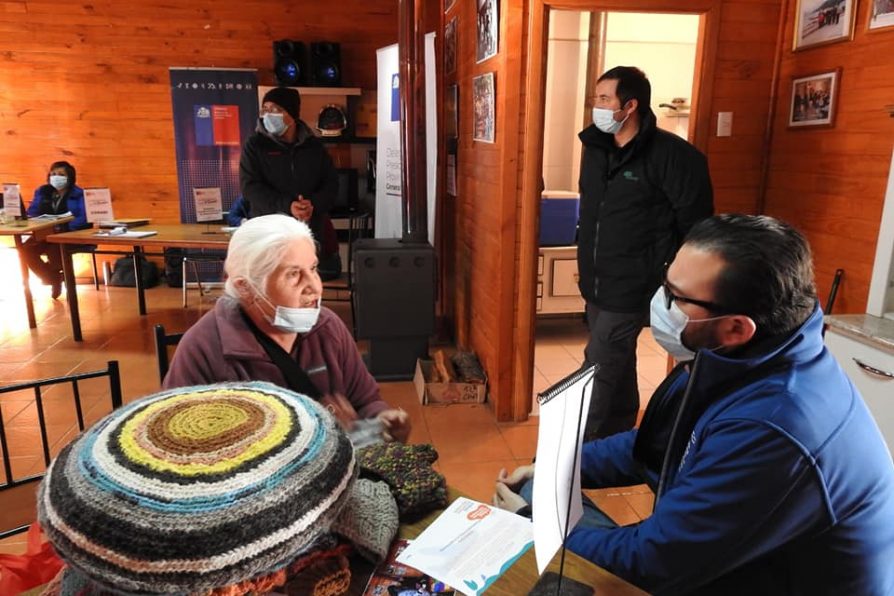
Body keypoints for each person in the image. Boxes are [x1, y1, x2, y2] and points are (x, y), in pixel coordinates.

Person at [494, 214, 894, 594]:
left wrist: (530, 527)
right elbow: (651, 446)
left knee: (534, 538)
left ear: (737, 326)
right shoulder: (738, 357)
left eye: (676, 297)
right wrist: (554, 465)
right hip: (727, 562)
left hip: (756, 582)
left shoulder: (775, 427)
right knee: (538, 487)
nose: (660, 303)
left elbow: (652, 562)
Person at [163, 214, 410, 443]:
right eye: (293, 275)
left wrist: (380, 422)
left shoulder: (328, 328)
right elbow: (181, 447)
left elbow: (365, 400)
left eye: (312, 269)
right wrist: (315, 436)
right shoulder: (203, 350)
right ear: (245, 288)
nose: (314, 286)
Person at [577, 66, 713, 440]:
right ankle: (619, 432)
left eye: (605, 99)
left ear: (630, 105)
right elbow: (593, 211)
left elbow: (696, 227)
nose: (597, 106)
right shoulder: (595, 148)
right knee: (618, 361)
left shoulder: (674, 157)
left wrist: (674, 278)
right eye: (596, 98)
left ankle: (572, 454)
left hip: (636, 282)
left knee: (598, 366)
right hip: (595, 279)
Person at [240, 87, 342, 281]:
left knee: (303, 284)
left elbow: (331, 184)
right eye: (265, 109)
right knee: (271, 285)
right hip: (268, 231)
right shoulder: (255, 145)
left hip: (308, 231)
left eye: (276, 110)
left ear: (292, 114)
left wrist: (313, 205)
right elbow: (250, 187)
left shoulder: (314, 146)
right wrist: (287, 205)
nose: (268, 115)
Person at [23, 161, 89, 299]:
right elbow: (32, 212)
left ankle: (58, 280)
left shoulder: (79, 194)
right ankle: (54, 279)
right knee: (25, 249)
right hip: (46, 232)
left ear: (69, 177)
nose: (56, 177)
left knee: (55, 250)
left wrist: (65, 228)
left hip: (70, 232)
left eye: (61, 174)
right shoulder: (43, 192)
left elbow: (84, 217)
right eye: (53, 174)